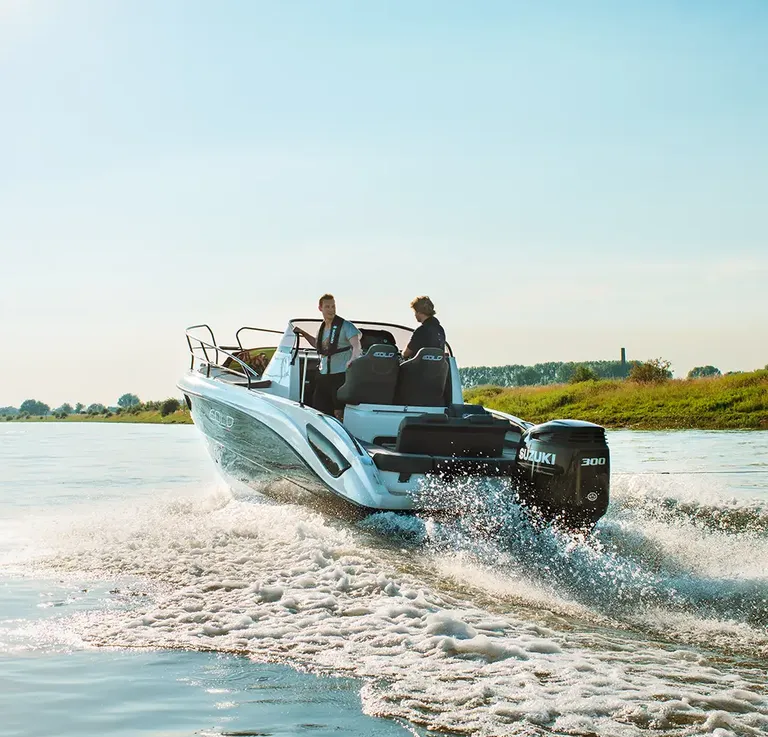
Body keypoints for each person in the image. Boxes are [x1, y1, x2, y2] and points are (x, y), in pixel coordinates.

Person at [294, 294, 361, 420]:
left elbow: (357, 346)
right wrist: (303, 333)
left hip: (340, 376)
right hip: (323, 376)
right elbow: (318, 345)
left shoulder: (346, 326)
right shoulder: (322, 328)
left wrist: (353, 359)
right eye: (327, 306)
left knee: (339, 413)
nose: (331, 309)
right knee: (318, 411)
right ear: (320, 308)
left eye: (333, 306)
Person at [402, 295, 446, 359]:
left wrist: (402, 353)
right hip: (437, 368)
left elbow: (406, 353)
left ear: (419, 312)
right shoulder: (440, 329)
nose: (415, 315)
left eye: (415, 312)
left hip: (420, 368)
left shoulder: (421, 331)